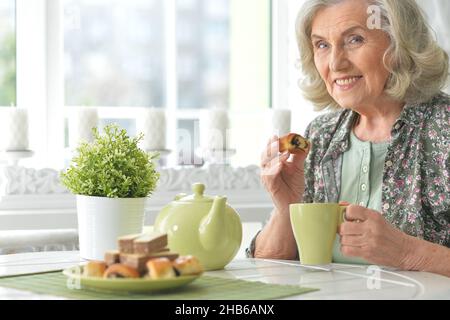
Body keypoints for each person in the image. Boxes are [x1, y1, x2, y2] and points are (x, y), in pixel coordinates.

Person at [247, 0, 450, 277]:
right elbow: (269, 266)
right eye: (322, 45)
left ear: (400, 45)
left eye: (355, 39)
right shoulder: (321, 135)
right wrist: (286, 206)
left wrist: (407, 252)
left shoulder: (443, 127)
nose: (336, 63)